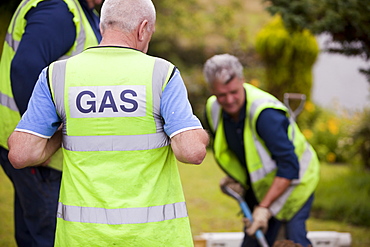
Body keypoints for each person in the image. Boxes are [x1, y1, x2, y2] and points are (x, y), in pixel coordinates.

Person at [7, 0, 210, 246]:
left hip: (81, 238)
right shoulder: (161, 74)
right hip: (154, 237)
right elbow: (192, 152)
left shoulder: (56, 75)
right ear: (143, 28)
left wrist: (65, 131)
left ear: (102, 26)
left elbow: (21, 154)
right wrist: (195, 133)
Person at [0, 0, 102, 246]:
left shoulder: (84, 11)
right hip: (38, 153)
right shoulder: (59, 10)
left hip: (40, 152)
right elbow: (25, 68)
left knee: (32, 230)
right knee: (49, 236)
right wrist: (39, 137)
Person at [203, 54, 320, 247]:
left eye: (233, 91)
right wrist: (237, 179)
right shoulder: (214, 108)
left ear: (242, 81)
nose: (229, 100)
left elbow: (289, 166)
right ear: (212, 90)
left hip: (296, 183)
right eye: (222, 95)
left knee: (293, 240)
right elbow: (240, 149)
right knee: (253, 240)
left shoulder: (265, 114)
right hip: (263, 188)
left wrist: (264, 208)